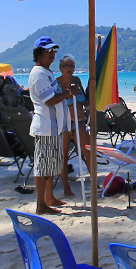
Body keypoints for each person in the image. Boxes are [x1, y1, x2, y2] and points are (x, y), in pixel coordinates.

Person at [27, 36, 75, 214]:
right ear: (39, 53)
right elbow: (49, 100)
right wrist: (68, 94)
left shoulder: (47, 72)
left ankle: (49, 198)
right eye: (48, 51)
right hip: (46, 127)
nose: (52, 55)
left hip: (53, 128)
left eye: (53, 51)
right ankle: (41, 205)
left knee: (50, 165)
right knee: (42, 167)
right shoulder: (38, 74)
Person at [56, 54, 88, 199]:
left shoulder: (77, 80)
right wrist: (68, 94)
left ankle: (94, 182)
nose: (69, 68)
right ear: (60, 68)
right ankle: (66, 187)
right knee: (64, 155)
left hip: (80, 122)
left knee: (88, 152)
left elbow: (85, 100)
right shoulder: (56, 83)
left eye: (72, 65)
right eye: (66, 66)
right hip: (64, 124)